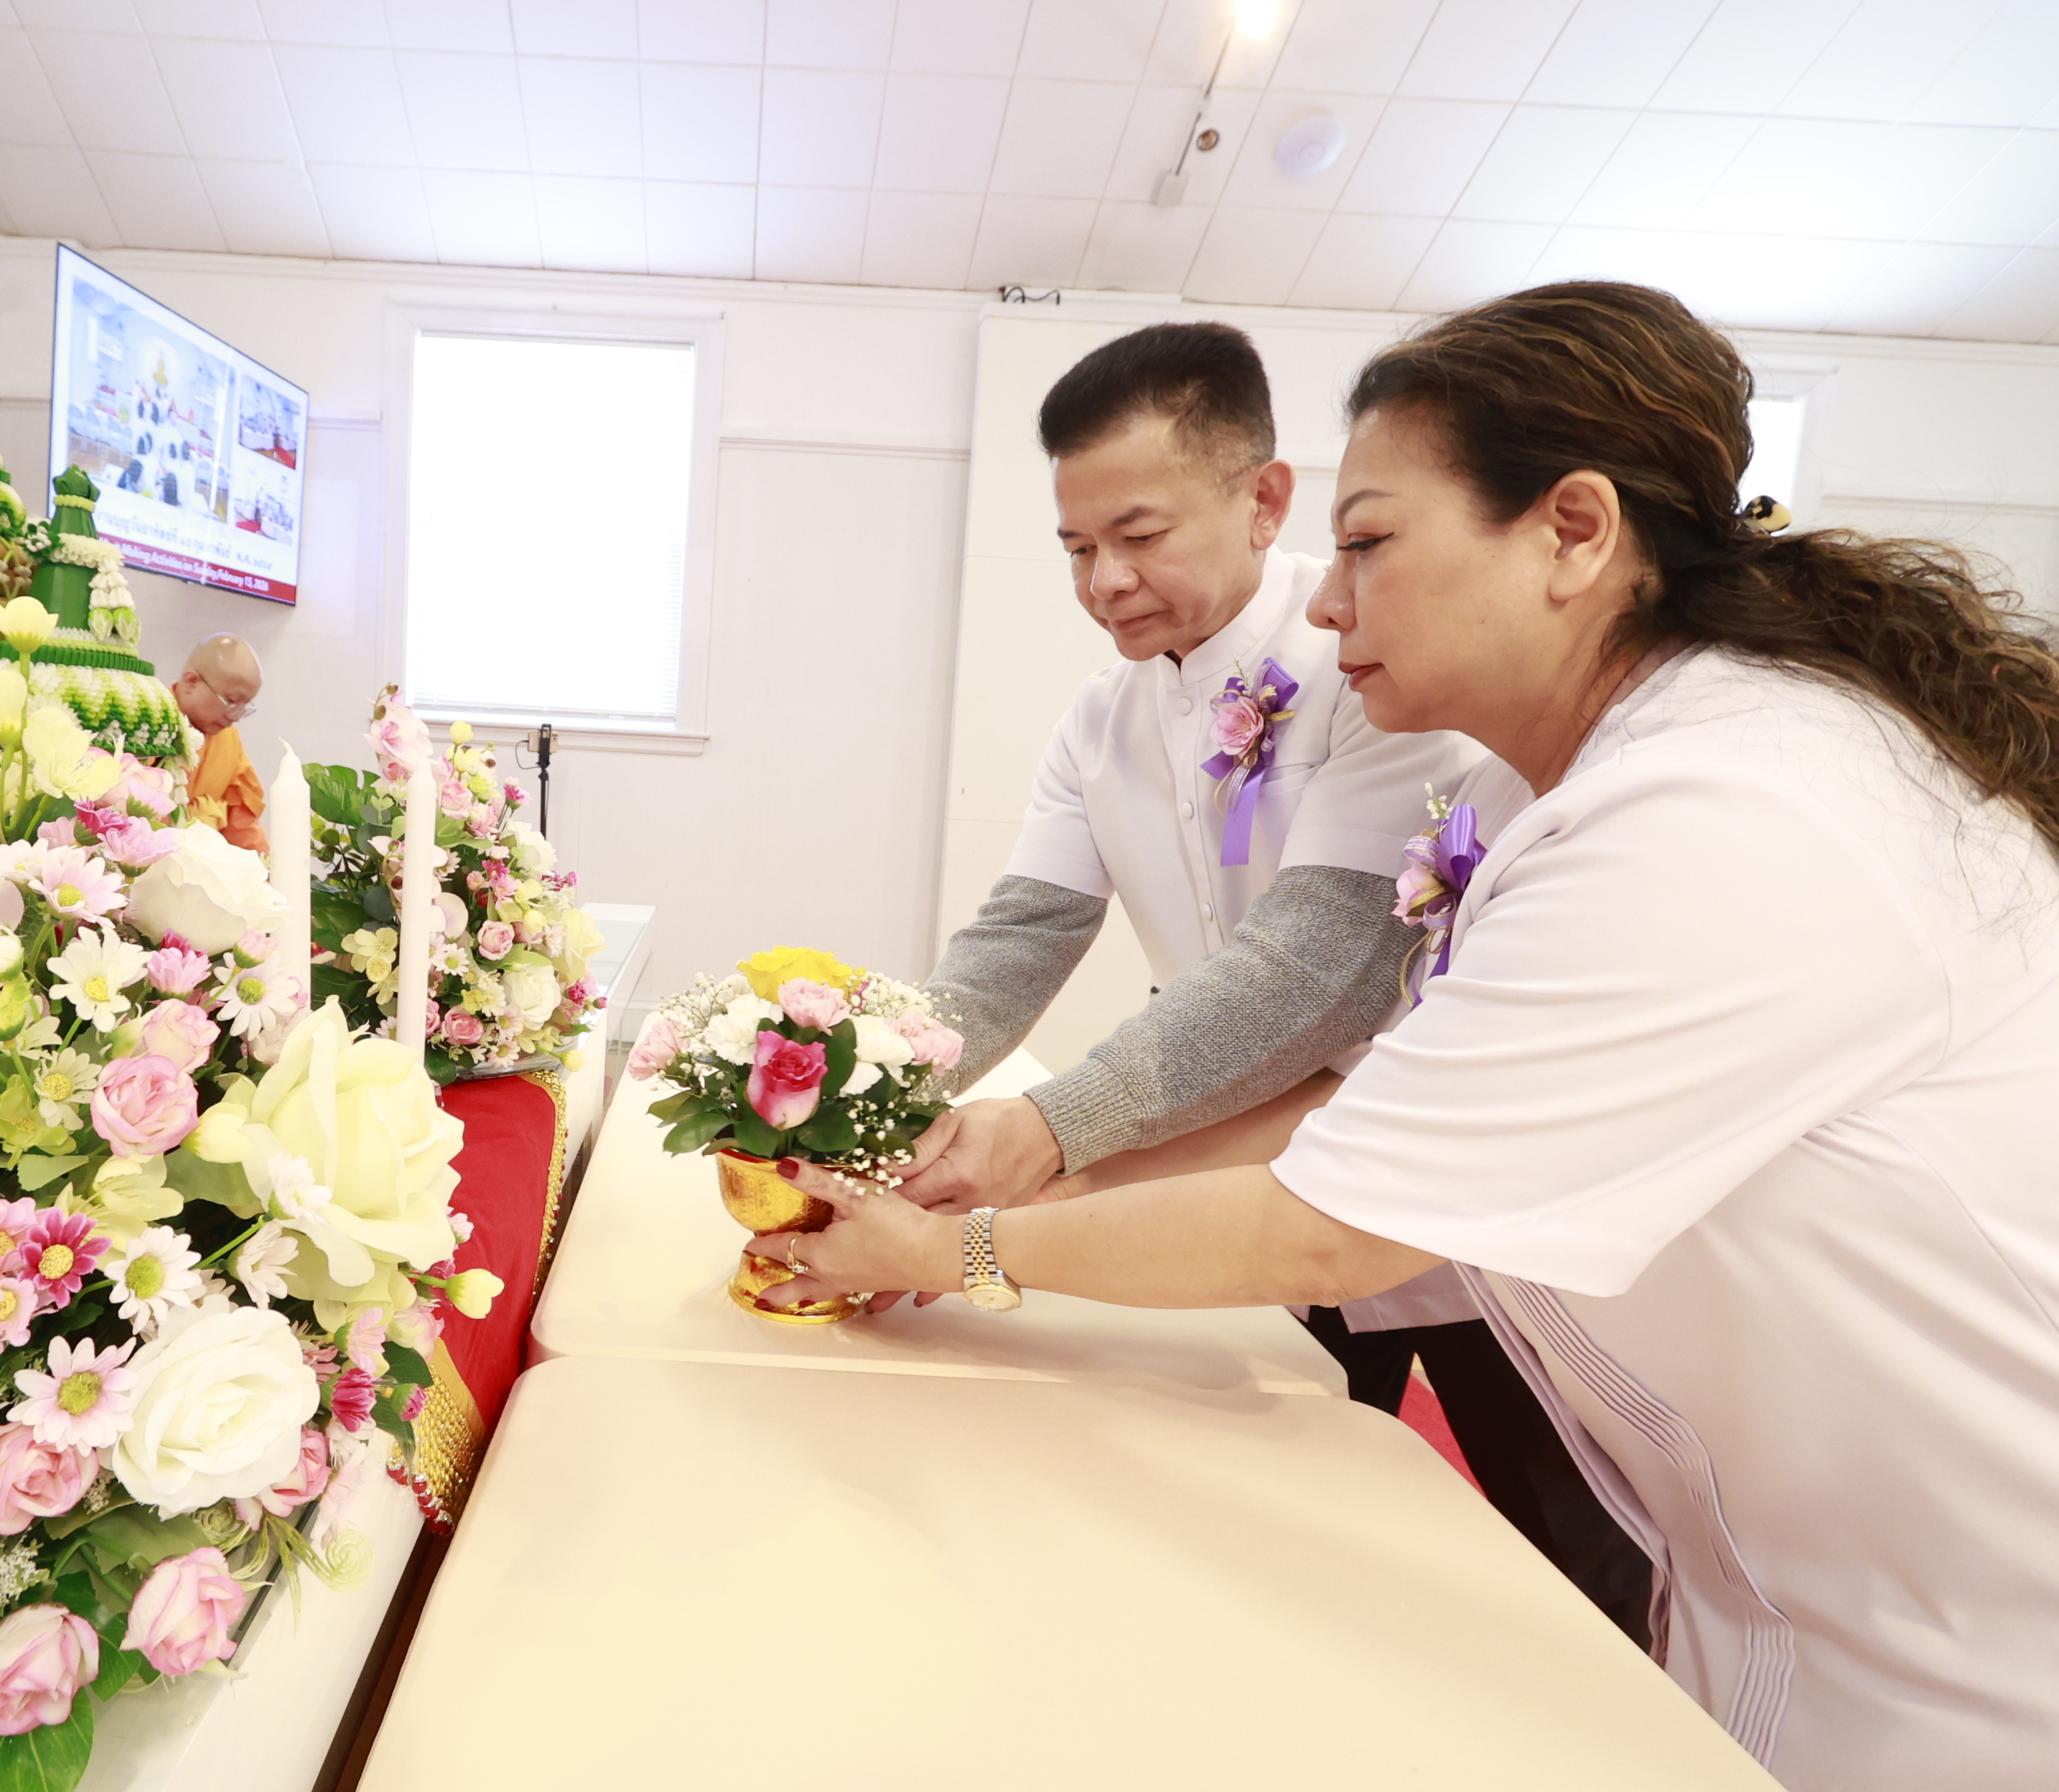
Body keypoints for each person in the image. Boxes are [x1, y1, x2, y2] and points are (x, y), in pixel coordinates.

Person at [757, 281, 2059, 1791]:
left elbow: (1334, 1204)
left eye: (1369, 547)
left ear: (1573, 531)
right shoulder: (1581, 782)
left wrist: (971, 1245)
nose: (1326, 598)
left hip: (1968, 1629)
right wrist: (989, 1162)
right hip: (1798, 1562)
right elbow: (1369, 1100)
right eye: (1075, 549)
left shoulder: (1724, 810)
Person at [905, 321, 1647, 1638]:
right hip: (1258, 1177)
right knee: (1297, 1542)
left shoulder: (1378, 666)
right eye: (1076, 548)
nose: (1103, 580)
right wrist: (861, 1082)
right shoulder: (1100, 718)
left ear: (1261, 498)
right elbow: (1017, 938)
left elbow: (1312, 970)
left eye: (1136, 535)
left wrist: (1044, 1130)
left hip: (1456, 1202)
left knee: (1571, 1572)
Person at [176, 632, 266, 851]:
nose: (235, 716)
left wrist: (267, 874)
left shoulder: (229, 740)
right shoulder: (147, 725)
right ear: (191, 682)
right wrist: (194, 823)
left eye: (245, 707)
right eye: (232, 701)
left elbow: (242, 825)